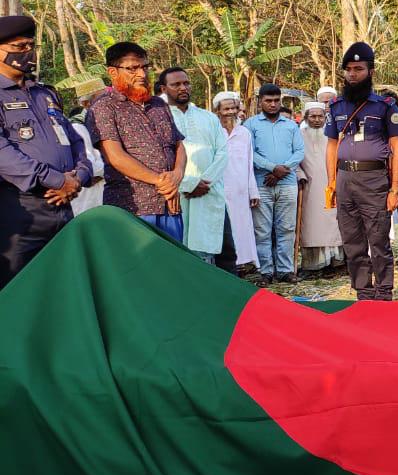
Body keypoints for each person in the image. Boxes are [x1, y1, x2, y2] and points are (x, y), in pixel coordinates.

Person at [0, 15, 93, 290]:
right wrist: (55, 180)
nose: (27, 54)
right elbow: (3, 152)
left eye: (31, 46)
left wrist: (78, 176)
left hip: (63, 207)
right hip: (19, 210)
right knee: (15, 290)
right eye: (19, 48)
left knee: (62, 287)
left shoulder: (45, 93)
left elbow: (74, 140)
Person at [324, 42, 398, 301]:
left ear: (371, 71)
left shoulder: (385, 106)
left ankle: (383, 292)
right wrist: (332, 182)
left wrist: (395, 188)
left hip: (374, 180)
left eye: (358, 69)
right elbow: (332, 145)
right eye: (348, 69)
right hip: (346, 179)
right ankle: (363, 292)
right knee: (352, 239)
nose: (352, 74)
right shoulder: (336, 106)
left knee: (378, 239)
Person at [87, 41, 186, 241]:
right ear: (113, 72)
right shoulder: (104, 108)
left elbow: (178, 145)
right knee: (138, 269)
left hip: (169, 203)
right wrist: (161, 182)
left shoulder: (159, 104)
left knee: (172, 267)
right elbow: (116, 157)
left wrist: (177, 175)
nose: (141, 74)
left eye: (144, 67)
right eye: (132, 68)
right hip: (132, 207)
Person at [160, 67, 235, 273]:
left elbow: (222, 153)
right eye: (176, 84)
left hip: (210, 192)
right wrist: (189, 184)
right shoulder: (159, 118)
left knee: (224, 251)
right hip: (178, 194)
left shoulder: (208, 117)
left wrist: (204, 183)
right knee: (182, 249)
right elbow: (160, 161)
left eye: (186, 83)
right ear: (163, 88)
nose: (183, 88)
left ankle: (229, 299)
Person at [243, 83, 305, 284]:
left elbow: (299, 152)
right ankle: (266, 271)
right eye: (268, 101)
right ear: (260, 101)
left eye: (276, 101)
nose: (272, 104)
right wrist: (271, 167)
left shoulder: (291, 125)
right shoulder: (250, 125)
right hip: (261, 184)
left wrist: (280, 171)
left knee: (286, 228)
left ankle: (285, 270)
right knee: (262, 230)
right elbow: (248, 153)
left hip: (287, 184)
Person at [212, 92, 260, 272]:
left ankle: (242, 265)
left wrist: (252, 191)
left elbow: (249, 163)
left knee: (241, 228)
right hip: (219, 189)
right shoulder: (214, 131)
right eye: (226, 109)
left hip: (240, 191)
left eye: (233, 108)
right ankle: (226, 266)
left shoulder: (244, 133)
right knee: (224, 229)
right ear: (218, 111)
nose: (230, 112)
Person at [297, 101, 344, 277]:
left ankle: (336, 262)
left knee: (333, 223)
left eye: (320, 116)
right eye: (313, 116)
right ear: (306, 117)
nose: (317, 120)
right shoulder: (298, 135)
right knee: (311, 225)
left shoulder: (333, 136)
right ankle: (314, 265)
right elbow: (293, 158)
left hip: (332, 184)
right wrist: (299, 174)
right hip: (309, 186)